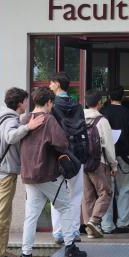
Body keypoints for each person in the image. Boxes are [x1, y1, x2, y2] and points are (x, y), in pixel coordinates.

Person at [19, 88, 87, 257]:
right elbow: (62, 143)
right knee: (65, 207)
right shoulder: (49, 121)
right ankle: (70, 248)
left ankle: (25, 256)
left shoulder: (26, 120)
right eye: (52, 103)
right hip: (47, 173)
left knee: (31, 216)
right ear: (49, 102)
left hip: (29, 175)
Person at [0, 88, 44, 257]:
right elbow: (10, 137)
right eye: (25, 101)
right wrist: (28, 127)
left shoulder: (3, 117)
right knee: (1, 214)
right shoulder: (10, 120)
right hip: (4, 173)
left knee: (4, 213)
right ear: (19, 103)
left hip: (0, 172)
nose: (27, 104)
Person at [49, 73, 85, 245]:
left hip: (59, 154)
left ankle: (58, 232)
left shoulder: (52, 106)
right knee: (76, 195)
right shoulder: (77, 106)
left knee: (57, 194)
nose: (49, 85)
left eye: (51, 82)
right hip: (77, 154)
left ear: (56, 84)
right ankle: (74, 230)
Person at [82, 89, 118, 238]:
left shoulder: (79, 118)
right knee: (105, 192)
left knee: (88, 196)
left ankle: (90, 229)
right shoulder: (102, 121)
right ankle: (94, 220)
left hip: (82, 162)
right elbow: (109, 146)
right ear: (99, 103)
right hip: (98, 162)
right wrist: (113, 165)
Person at [100, 86, 129, 233]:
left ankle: (106, 225)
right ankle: (123, 223)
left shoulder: (103, 113)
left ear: (109, 97)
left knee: (107, 191)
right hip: (124, 157)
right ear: (123, 97)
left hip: (105, 157)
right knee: (126, 189)